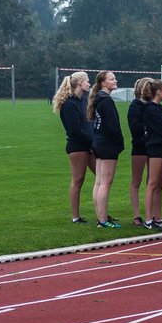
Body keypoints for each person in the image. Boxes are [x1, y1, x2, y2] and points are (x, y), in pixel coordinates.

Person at [53, 71, 94, 224]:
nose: (89, 84)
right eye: (87, 81)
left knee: (102, 179)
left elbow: (88, 125)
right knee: (78, 180)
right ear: (79, 83)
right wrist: (91, 141)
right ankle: (76, 217)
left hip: (90, 145)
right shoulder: (69, 104)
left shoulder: (83, 101)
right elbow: (74, 130)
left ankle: (103, 214)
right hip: (78, 147)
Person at [87, 70, 123, 228]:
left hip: (99, 142)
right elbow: (112, 125)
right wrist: (119, 143)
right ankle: (102, 220)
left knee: (99, 182)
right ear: (103, 83)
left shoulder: (98, 98)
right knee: (105, 183)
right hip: (107, 144)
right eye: (112, 79)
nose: (115, 81)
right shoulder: (106, 100)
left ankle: (100, 217)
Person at [139, 79, 162, 230]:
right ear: (158, 91)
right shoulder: (149, 109)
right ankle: (149, 220)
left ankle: (158, 217)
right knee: (153, 183)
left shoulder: (161, 108)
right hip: (155, 147)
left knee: (161, 184)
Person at [127, 77, 151, 226]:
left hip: (153, 146)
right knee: (137, 181)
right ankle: (136, 215)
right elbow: (135, 128)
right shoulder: (135, 106)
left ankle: (152, 213)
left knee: (152, 181)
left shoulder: (152, 106)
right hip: (140, 146)